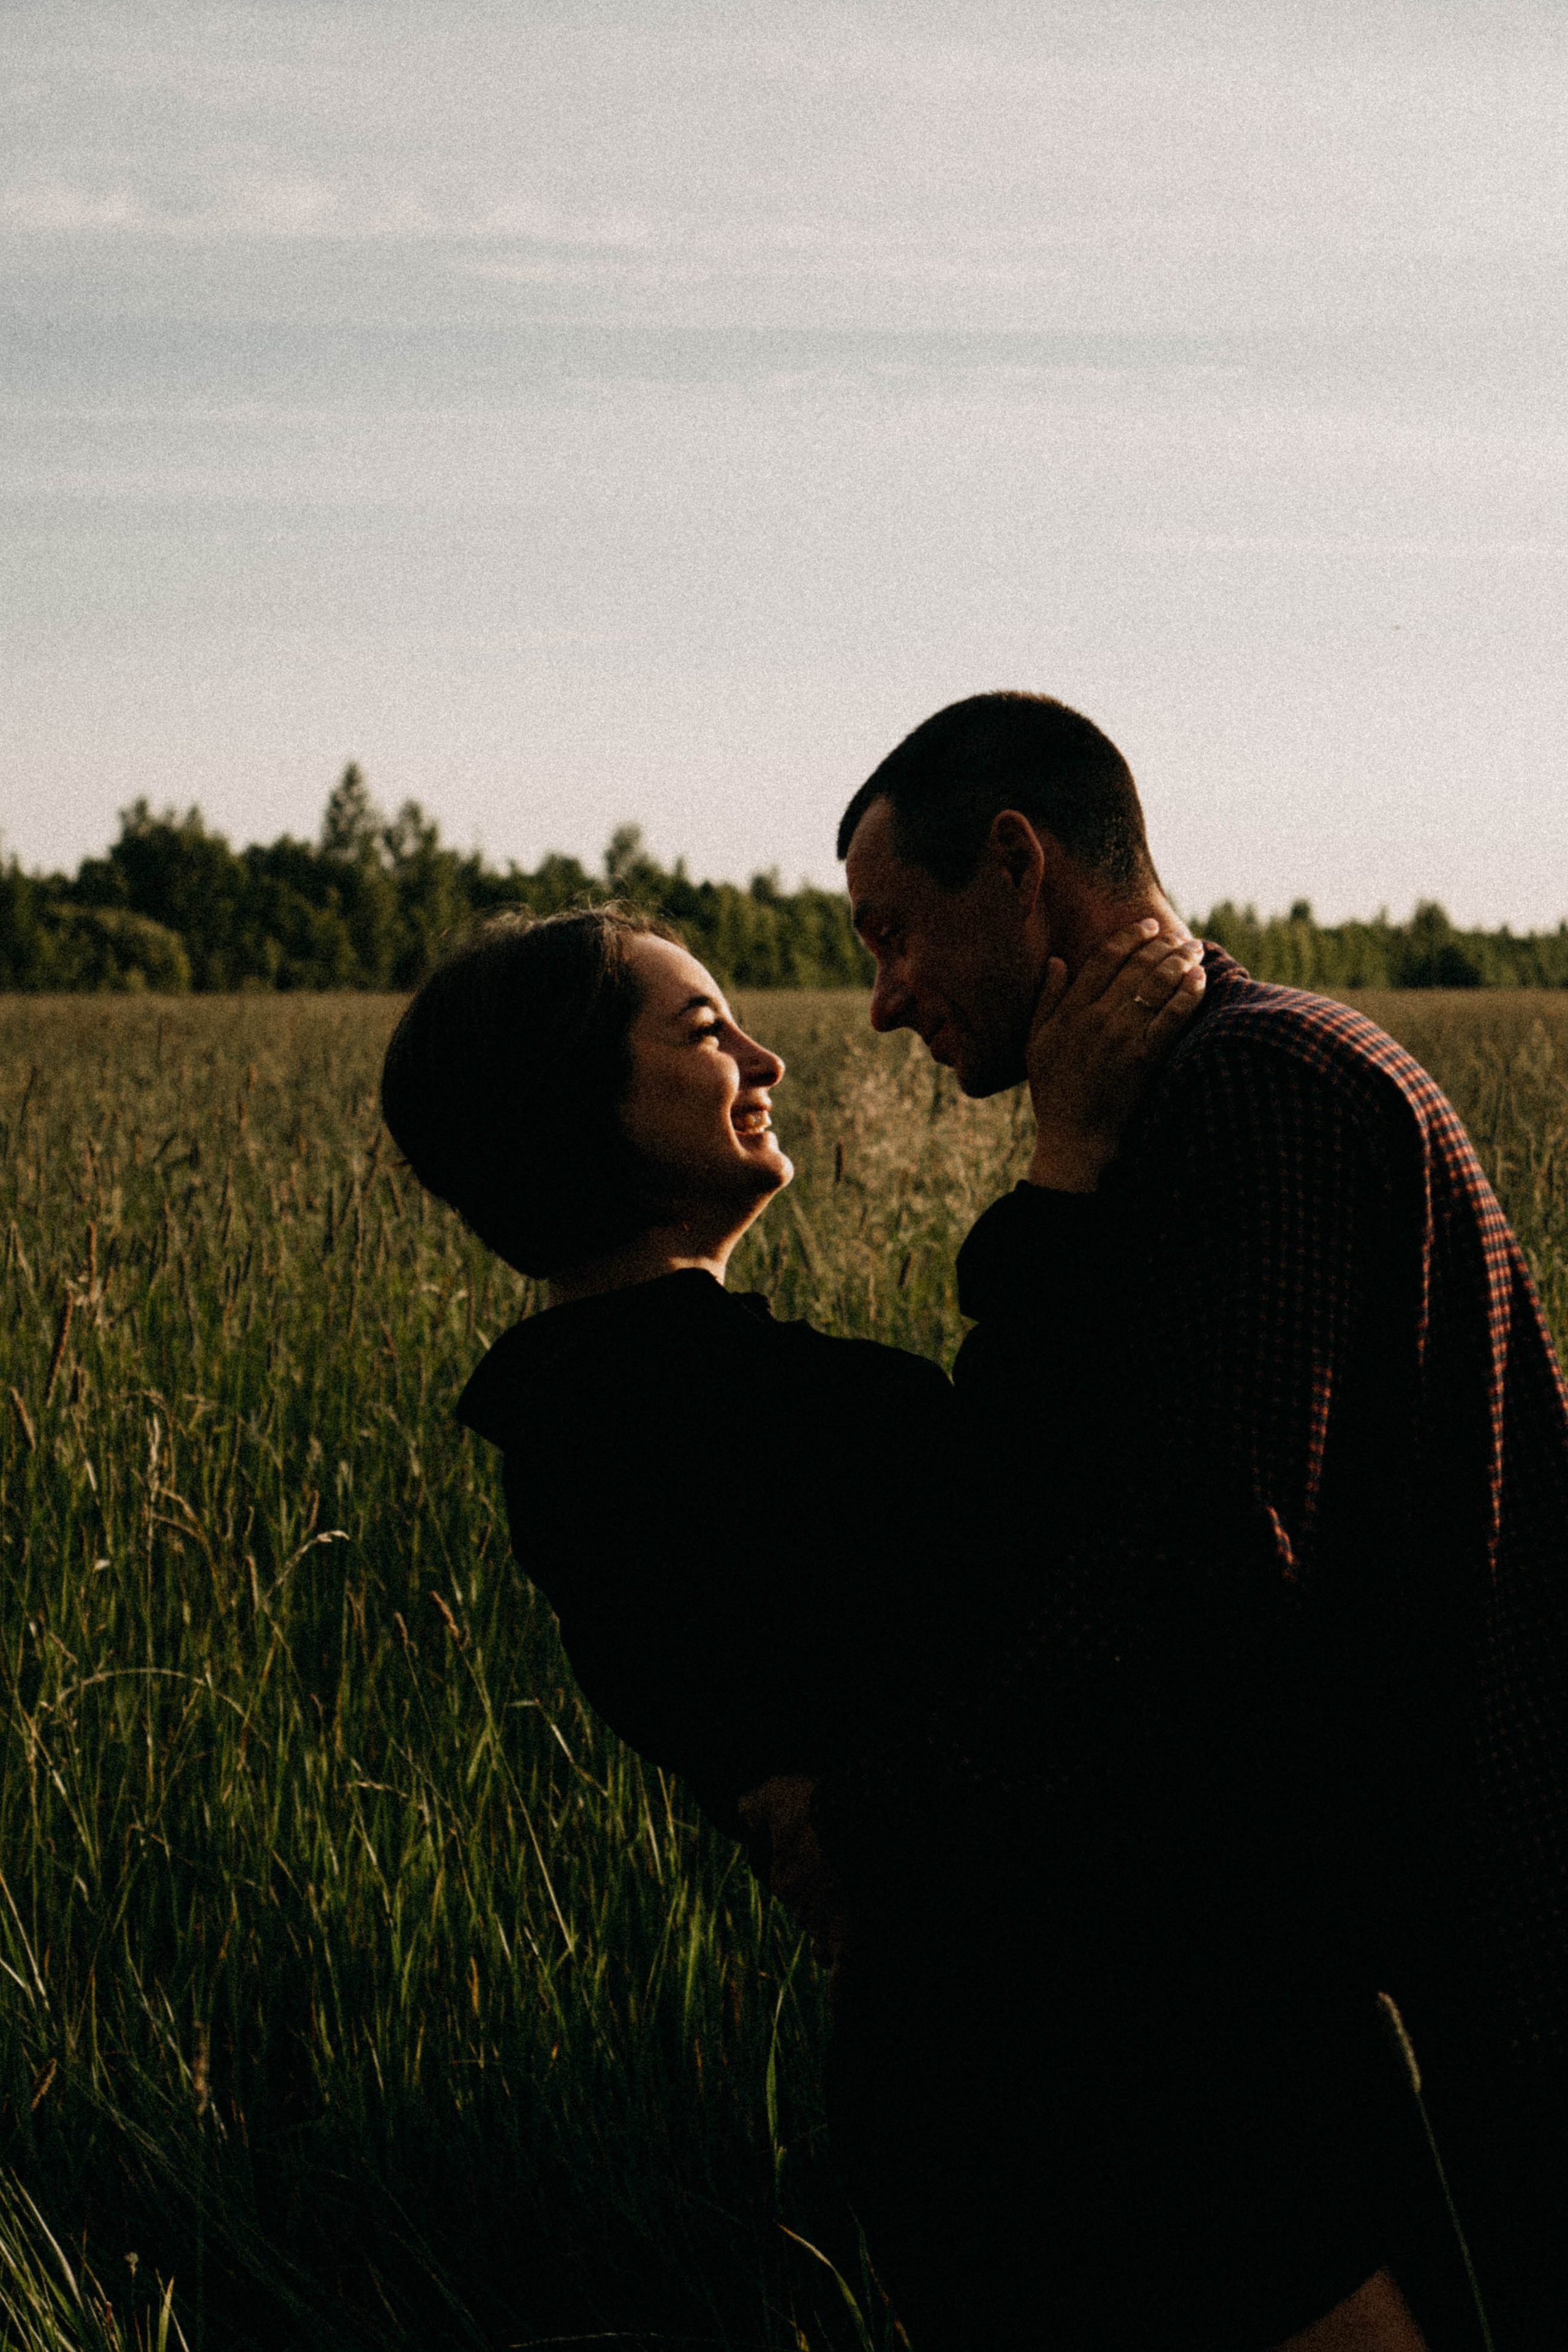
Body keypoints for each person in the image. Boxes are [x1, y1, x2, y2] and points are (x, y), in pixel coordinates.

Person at [750, 688, 1567, 2351]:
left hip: (1455, 1960)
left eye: (893, 934)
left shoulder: (1256, 1090)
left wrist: (880, 1820)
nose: (884, 999)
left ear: (1018, 864)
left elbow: (1207, 1571)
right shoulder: (1196, 1088)